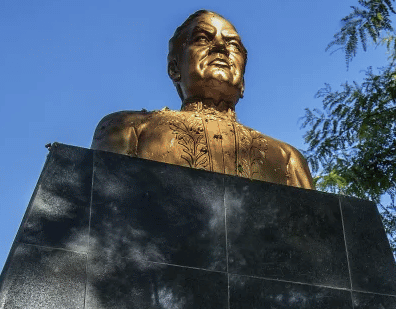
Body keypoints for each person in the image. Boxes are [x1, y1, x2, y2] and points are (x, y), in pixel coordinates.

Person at [92, 10, 313, 189]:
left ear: (243, 80)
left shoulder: (287, 159)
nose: (220, 48)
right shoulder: (128, 129)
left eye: (233, 45)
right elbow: (99, 211)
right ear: (174, 68)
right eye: (202, 38)